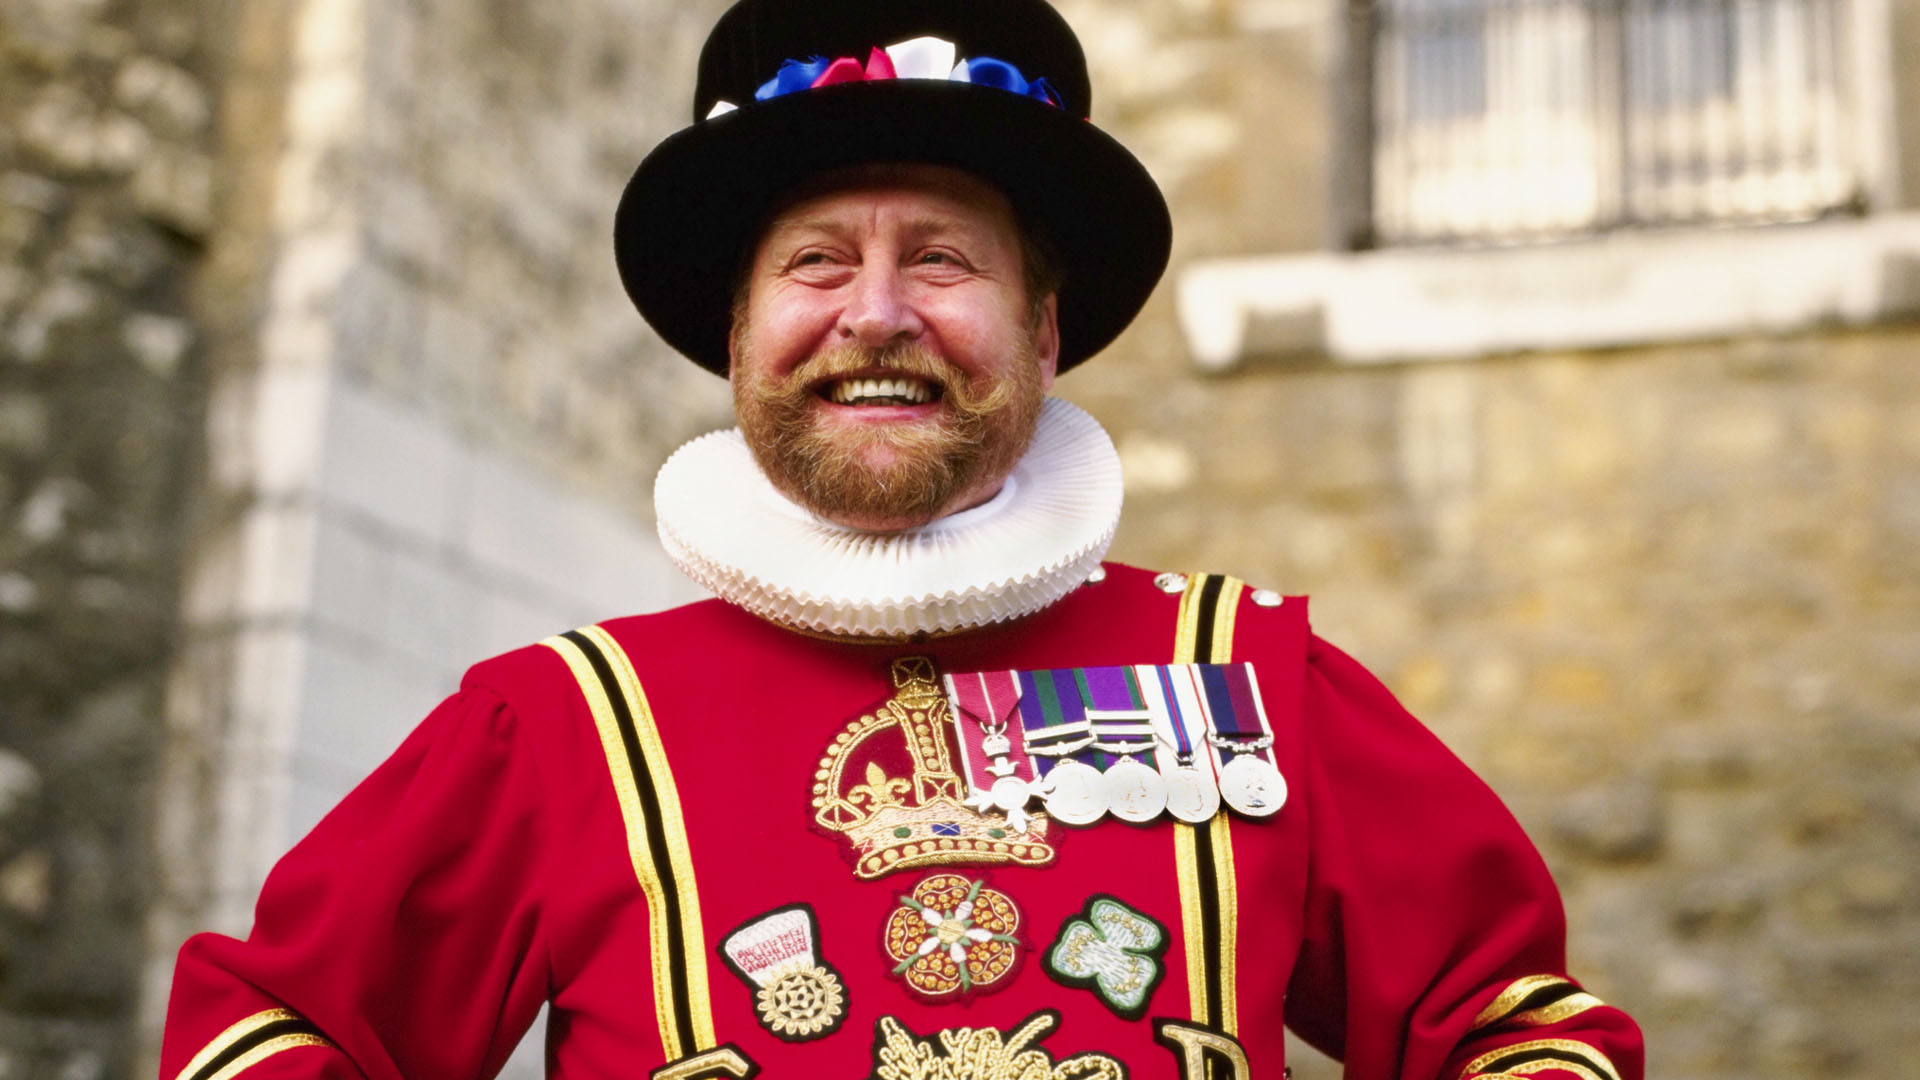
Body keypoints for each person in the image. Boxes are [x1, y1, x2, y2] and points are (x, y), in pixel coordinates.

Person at [160, 1, 1645, 1078]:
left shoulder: (1252, 674)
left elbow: (1519, 1029)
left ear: (1044, 332)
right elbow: (271, 1032)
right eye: (817, 263)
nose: (876, 314)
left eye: (940, 258)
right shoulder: (551, 726)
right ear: (740, 333)